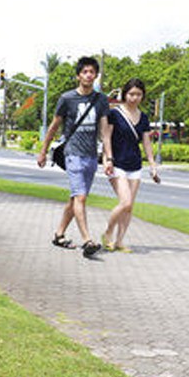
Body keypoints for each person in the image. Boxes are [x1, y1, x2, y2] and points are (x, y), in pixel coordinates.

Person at [37, 56, 112, 257]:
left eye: (92, 72)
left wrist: (108, 157)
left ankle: (59, 234)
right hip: (73, 153)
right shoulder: (67, 99)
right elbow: (53, 126)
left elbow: (105, 131)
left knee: (75, 199)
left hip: (90, 155)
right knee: (81, 197)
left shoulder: (101, 100)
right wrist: (43, 151)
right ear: (78, 75)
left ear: (96, 75)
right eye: (85, 72)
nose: (88, 75)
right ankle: (87, 240)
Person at [101, 78, 159, 252]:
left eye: (138, 94)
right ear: (125, 94)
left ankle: (119, 241)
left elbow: (146, 142)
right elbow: (107, 138)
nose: (134, 97)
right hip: (117, 163)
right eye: (131, 94)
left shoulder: (144, 117)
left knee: (129, 207)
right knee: (125, 202)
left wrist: (152, 165)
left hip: (135, 164)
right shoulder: (115, 114)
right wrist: (108, 159)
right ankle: (108, 233)